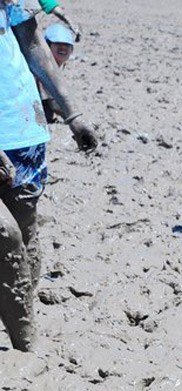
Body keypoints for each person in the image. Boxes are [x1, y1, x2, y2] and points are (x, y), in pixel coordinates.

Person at [1, 0, 97, 351]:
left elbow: (32, 44)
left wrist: (73, 115)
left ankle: (23, 353)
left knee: (25, 240)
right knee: (6, 235)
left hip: (23, 132)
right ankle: (26, 347)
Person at [37, 23, 76, 122]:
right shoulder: (44, 66)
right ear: (47, 46)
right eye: (58, 43)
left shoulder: (55, 66)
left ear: (72, 50)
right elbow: (54, 103)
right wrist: (74, 117)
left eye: (67, 44)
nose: (63, 47)